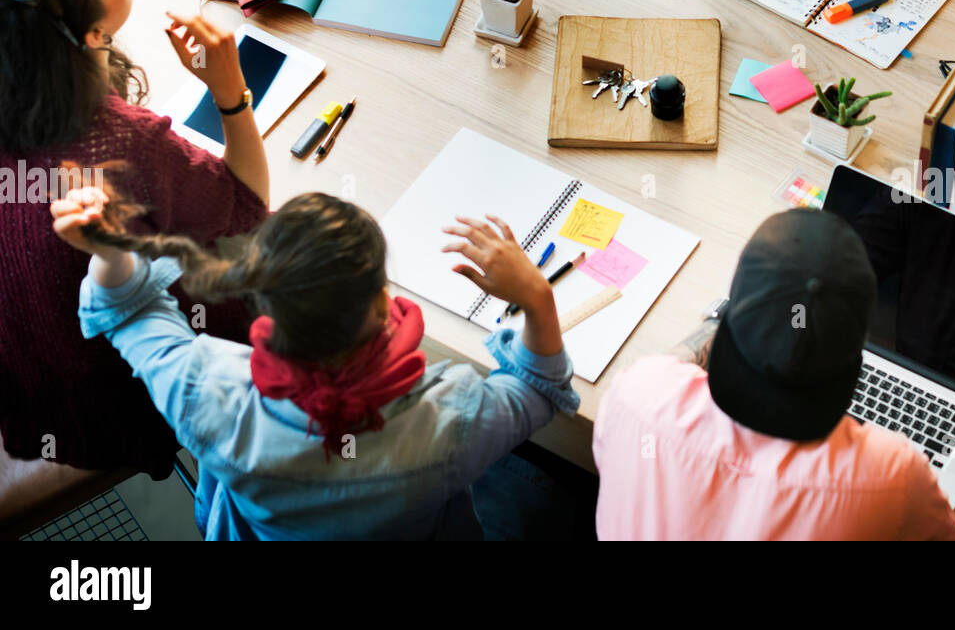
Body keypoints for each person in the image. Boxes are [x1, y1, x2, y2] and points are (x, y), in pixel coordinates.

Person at [50, 184, 579, 540]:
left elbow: (127, 311)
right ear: (380, 304)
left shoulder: (206, 394)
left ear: (265, 310)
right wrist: (535, 294)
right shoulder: (453, 417)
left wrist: (111, 250)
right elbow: (538, 389)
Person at [0, 0, 269, 481]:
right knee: (275, 262)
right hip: (125, 394)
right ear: (93, 37)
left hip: (29, 375)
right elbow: (245, 205)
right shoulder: (121, 141)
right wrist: (229, 92)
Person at [592, 208, 955, 540]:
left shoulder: (635, 394)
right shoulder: (893, 478)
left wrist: (729, 319)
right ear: (858, 348)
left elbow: (664, 370)